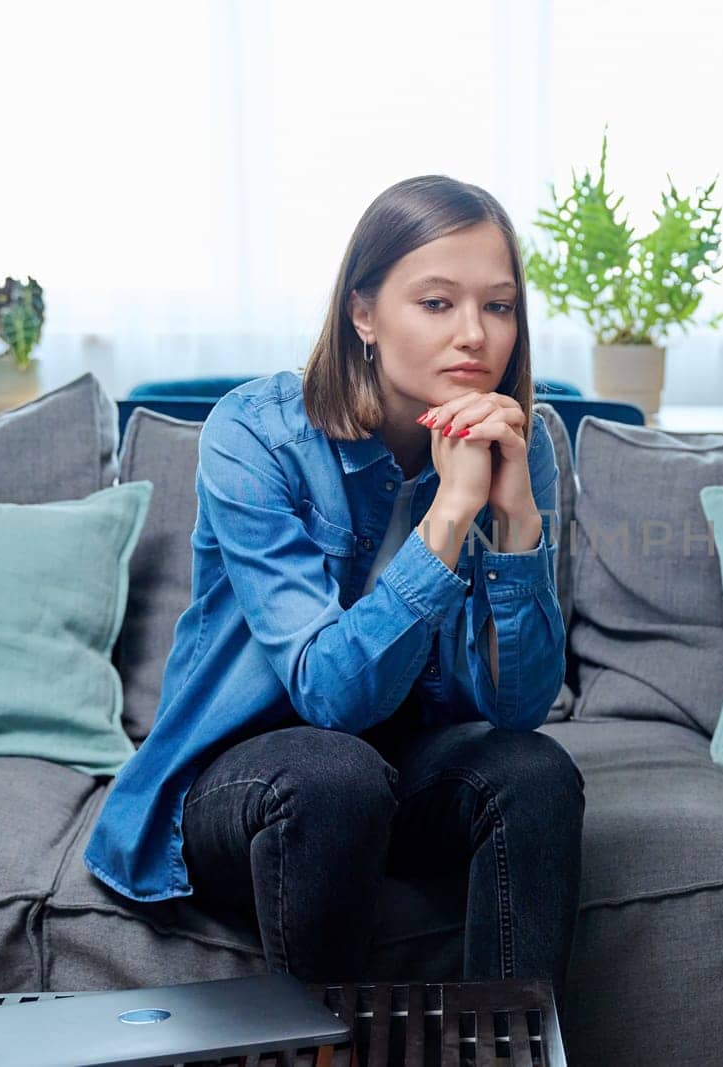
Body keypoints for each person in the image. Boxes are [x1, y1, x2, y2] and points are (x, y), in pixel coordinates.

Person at [84, 176, 584, 993]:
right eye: (435, 302)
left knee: (535, 771)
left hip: (405, 770)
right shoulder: (255, 434)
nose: (475, 335)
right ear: (363, 314)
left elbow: (519, 706)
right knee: (336, 774)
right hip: (245, 781)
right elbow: (330, 697)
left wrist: (519, 521)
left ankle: (507, 1048)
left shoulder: (520, 442)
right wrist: (450, 516)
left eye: (498, 306)